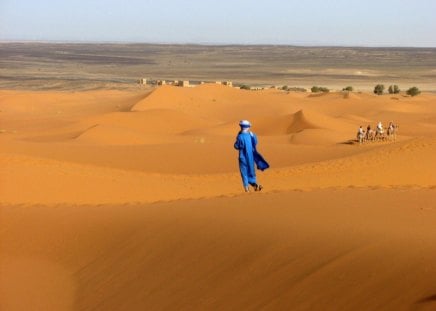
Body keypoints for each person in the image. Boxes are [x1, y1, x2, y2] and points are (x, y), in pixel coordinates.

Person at [234, 120, 269, 192]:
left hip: (242, 157)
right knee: (251, 171)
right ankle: (255, 185)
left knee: (244, 173)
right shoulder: (252, 135)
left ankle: (247, 189)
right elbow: (255, 143)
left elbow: (236, 146)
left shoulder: (240, 137)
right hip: (250, 157)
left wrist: (238, 137)